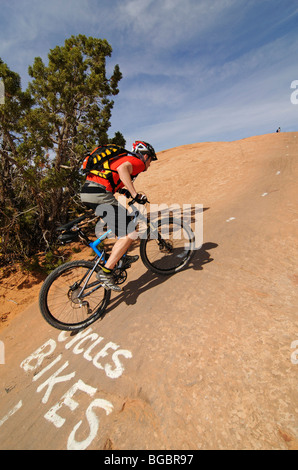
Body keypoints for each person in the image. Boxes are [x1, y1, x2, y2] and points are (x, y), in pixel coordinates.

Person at [80, 140, 157, 291]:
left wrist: (125, 191)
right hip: (99, 194)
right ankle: (106, 272)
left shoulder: (119, 159)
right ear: (145, 156)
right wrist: (135, 194)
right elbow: (122, 171)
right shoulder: (136, 162)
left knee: (122, 223)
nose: (150, 164)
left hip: (88, 192)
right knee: (130, 232)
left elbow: (115, 177)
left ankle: (120, 256)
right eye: (151, 160)